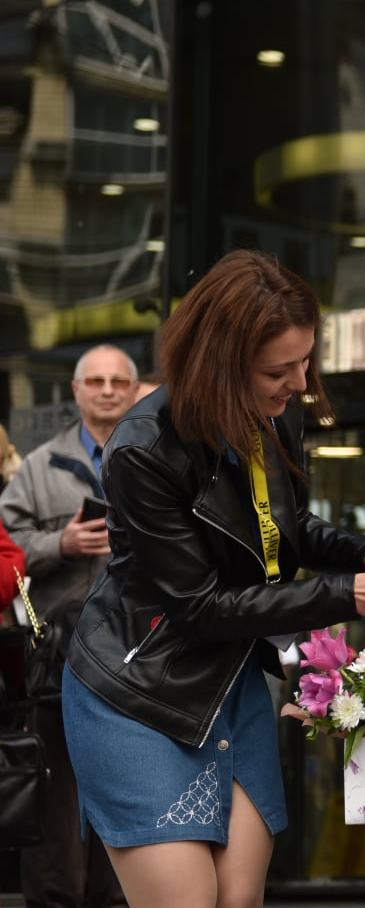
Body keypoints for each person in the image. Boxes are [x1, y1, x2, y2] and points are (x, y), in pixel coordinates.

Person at [62, 250, 365, 908]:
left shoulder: (272, 413)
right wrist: (346, 594)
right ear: (222, 361)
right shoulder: (142, 448)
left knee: (239, 900)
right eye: (279, 369)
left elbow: (282, 529)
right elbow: (200, 607)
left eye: (305, 362)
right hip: (141, 694)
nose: (299, 382)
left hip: (232, 682)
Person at [1, 343, 142, 908]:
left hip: (138, 657)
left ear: (132, 391)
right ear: (78, 391)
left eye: (118, 381)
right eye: (96, 381)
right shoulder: (40, 465)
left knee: (125, 789)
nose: (107, 390)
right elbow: (7, 546)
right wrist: (61, 542)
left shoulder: (157, 456)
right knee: (57, 793)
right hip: (60, 660)